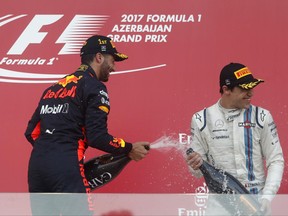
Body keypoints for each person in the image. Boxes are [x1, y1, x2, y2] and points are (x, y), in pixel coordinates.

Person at [25, 35, 150, 215]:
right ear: (99, 57)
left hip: (37, 168)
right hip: (67, 167)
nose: (113, 67)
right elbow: (97, 136)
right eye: (112, 60)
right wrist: (128, 148)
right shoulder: (94, 86)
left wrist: (52, 152)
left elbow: (31, 133)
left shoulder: (53, 88)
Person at [186, 62, 284, 215]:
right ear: (226, 90)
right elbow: (197, 172)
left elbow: (276, 159)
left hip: (256, 204)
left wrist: (267, 197)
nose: (251, 93)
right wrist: (194, 164)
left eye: (252, 87)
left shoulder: (261, 116)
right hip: (220, 207)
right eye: (245, 88)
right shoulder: (201, 119)